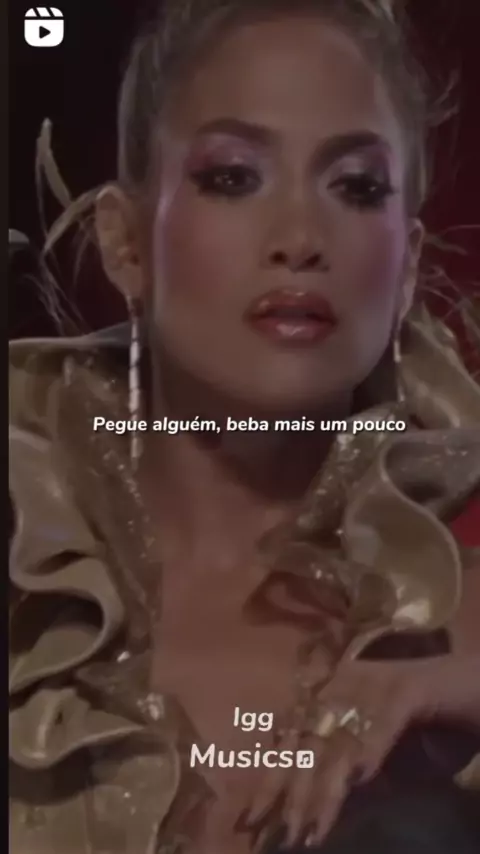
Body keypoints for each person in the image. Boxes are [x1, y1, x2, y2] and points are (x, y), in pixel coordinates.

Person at [8, 1, 480, 852]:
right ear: (126, 243)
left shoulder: (461, 629)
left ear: (407, 267)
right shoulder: (27, 608)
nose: (300, 239)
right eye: (233, 177)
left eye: (356, 187)